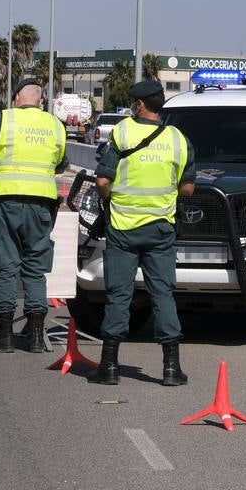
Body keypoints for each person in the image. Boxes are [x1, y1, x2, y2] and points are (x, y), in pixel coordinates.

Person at [89, 79, 196, 387]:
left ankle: (109, 366)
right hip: (161, 229)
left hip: (123, 229)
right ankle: (171, 369)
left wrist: (111, 201)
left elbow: (102, 181)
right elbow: (187, 187)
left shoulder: (122, 132)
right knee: (163, 294)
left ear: (138, 105)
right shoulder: (177, 138)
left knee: (119, 295)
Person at [0, 78, 68, 353]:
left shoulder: (3, 120)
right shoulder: (55, 125)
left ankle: (4, 337)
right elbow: (62, 163)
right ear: (41, 101)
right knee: (35, 269)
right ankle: (36, 337)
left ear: (16, 99)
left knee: (5, 267)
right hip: (42, 206)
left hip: (6, 202)